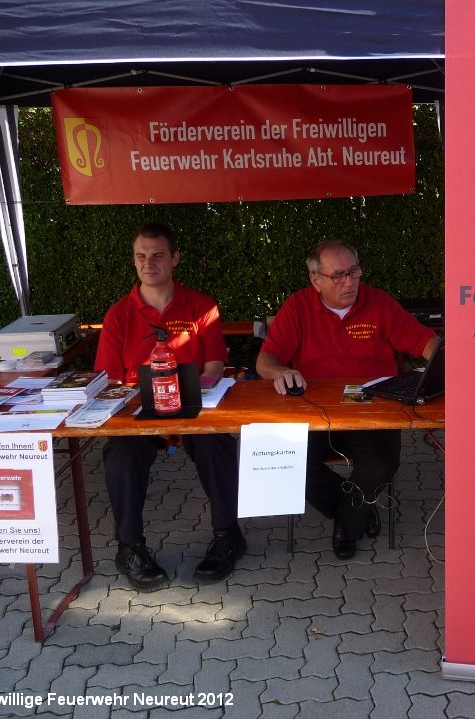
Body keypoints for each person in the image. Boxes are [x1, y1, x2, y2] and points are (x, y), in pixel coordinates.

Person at [255, 239, 439, 559]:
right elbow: (265, 361)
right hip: (313, 411)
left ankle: (350, 521)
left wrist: (441, 365)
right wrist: (280, 371)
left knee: (382, 462)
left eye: (354, 272)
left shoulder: (378, 303)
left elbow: (426, 341)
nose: (349, 282)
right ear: (316, 280)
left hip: (370, 410)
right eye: (338, 275)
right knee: (287, 463)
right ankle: (357, 509)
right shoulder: (297, 307)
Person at [94, 223, 244, 590]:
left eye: (157, 255)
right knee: (121, 454)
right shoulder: (118, 314)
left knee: (216, 443)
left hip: (193, 407)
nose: (148, 264)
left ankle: (228, 536)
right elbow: (109, 380)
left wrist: (195, 394)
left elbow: (214, 366)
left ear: (175, 258)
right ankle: (129, 548)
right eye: (141, 256)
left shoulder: (201, 305)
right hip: (139, 412)